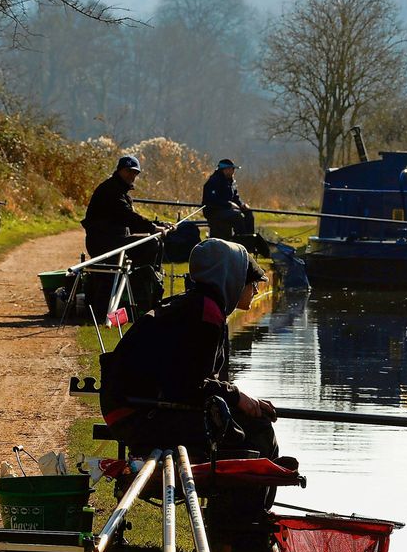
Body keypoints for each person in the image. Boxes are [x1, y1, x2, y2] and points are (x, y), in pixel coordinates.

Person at [98, 237, 278, 461]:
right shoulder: (205, 314)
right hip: (137, 412)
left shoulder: (197, 305)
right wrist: (236, 396)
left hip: (133, 405)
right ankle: (240, 483)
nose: (256, 290)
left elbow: (190, 380)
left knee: (240, 424)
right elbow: (188, 385)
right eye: (252, 283)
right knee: (257, 429)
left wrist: (236, 398)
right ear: (233, 280)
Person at [81, 155, 166, 311]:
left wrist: (160, 225)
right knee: (151, 243)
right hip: (104, 242)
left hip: (116, 240)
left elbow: (131, 224)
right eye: (128, 171)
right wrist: (153, 228)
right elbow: (127, 216)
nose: (131, 175)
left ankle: (147, 285)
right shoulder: (111, 190)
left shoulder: (121, 191)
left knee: (156, 242)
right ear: (119, 170)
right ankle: (140, 289)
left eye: (135, 172)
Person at [201, 158, 271, 256]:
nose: (233, 171)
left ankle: (249, 242)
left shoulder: (230, 182)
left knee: (248, 214)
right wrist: (228, 205)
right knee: (237, 216)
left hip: (227, 210)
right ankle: (241, 243)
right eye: (231, 169)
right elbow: (212, 201)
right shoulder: (213, 181)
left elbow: (235, 197)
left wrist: (242, 204)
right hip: (214, 212)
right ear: (225, 169)